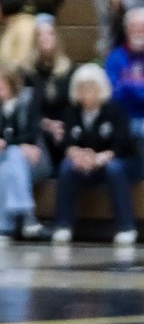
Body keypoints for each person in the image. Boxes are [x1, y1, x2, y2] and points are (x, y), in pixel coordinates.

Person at [50, 63, 137, 245]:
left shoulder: (115, 110)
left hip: (116, 161)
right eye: (82, 88)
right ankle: (63, 225)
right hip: (85, 164)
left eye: (91, 87)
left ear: (101, 88)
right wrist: (77, 154)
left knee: (114, 169)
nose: (86, 92)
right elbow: (67, 143)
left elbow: (123, 144)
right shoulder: (72, 111)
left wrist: (100, 157)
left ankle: (126, 227)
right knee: (66, 167)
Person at [0, 65, 51, 243]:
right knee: (12, 155)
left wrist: (8, 144)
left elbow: (33, 133)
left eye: (1, 80)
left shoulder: (28, 98)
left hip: (32, 159)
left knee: (9, 165)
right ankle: (29, 219)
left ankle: (1, 228)